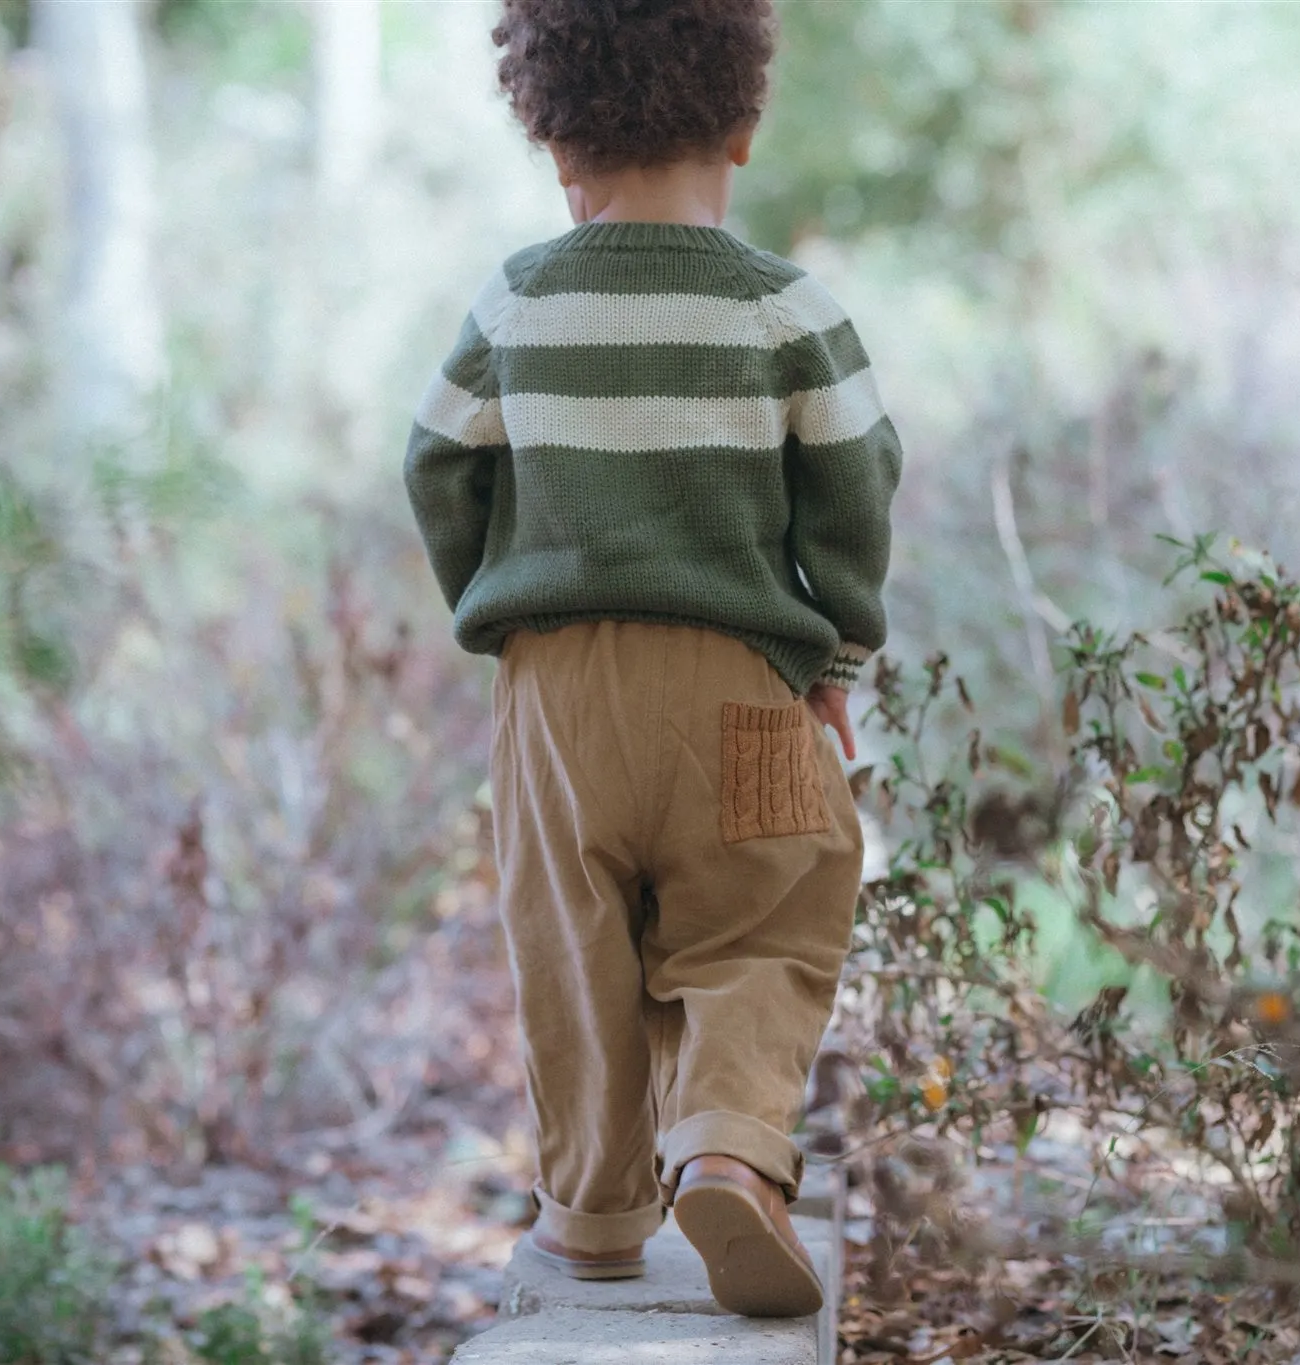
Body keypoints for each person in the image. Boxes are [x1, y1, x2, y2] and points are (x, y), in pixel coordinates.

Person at [402, 0, 900, 1319]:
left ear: (552, 139)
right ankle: (731, 1145)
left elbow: (438, 466)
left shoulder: (515, 302)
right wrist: (838, 650)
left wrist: (507, 609)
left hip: (555, 704)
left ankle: (592, 1222)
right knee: (774, 912)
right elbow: (857, 487)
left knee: (572, 947)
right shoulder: (786, 311)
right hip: (749, 688)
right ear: (742, 127)